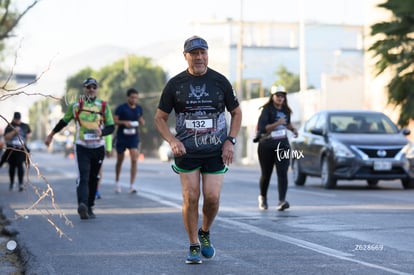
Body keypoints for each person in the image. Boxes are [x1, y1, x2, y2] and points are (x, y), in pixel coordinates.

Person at [154, 35, 242, 264]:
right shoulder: (175, 84)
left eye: (203, 53)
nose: (199, 57)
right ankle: (193, 244)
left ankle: (205, 231)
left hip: (215, 151)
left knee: (212, 198)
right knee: (191, 196)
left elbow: (237, 112)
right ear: (186, 57)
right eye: (194, 53)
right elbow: (160, 118)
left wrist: (230, 140)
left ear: (207, 54)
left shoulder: (220, 81)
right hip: (188, 151)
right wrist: (173, 141)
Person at [45, 77, 114, 220]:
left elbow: (111, 126)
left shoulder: (103, 106)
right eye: (88, 87)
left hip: (98, 147)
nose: (91, 89)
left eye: (94, 87)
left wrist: (103, 132)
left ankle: (90, 206)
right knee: (83, 176)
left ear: (97, 89)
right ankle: (82, 205)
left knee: (94, 177)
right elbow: (64, 121)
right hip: (82, 147)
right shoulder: (76, 106)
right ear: (84, 89)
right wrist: (51, 134)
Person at [254, 85, 298, 211]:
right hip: (267, 145)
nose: (280, 98)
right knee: (266, 174)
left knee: (283, 173)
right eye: (278, 95)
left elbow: (287, 123)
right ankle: (262, 197)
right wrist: (277, 124)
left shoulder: (286, 110)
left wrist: (293, 129)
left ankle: (281, 201)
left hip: (282, 145)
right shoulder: (267, 110)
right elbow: (263, 128)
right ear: (272, 97)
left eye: (282, 96)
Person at [113, 88, 145, 194]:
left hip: (133, 136)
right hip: (122, 136)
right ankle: (117, 182)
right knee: (120, 160)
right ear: (128, 97)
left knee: (134, 158)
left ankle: (132, 185)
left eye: (136, 97)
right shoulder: (121, 108)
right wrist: (124, 123)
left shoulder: (139, 108)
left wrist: (141, 121)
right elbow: (114, 120)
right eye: (132, 97)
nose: (134, 99)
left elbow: (140, 119)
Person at [1, 112, 32, 191]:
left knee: (20, 166)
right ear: (14, 118)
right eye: (16, 119)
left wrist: (26, 135)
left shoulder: (24, 126)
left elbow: (29, 134)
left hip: (21, 149)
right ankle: (12, 182)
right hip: (11, 149)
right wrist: (14, 131)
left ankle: (20, 184)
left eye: (18, 119)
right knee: (12, 167)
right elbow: (6, 137)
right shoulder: (9, 126)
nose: (17, 121)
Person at [96, 134, 113, 199]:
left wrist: (108, 148)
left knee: (99, 169)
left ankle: (96, 190)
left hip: (99, 144)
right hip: (84, 144)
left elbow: (108, 127)